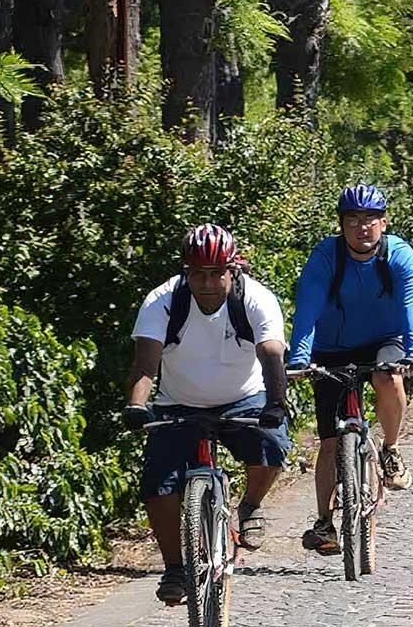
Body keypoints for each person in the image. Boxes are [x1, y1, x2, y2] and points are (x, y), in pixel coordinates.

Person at [123, 224, 291, 605]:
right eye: (198, 273)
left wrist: (276, 403)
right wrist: (136, 405)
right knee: (158, 485)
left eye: (218, 273)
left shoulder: (257, 300)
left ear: (234, 270)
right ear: (186, 272)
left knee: (272, 445)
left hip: (242, 398)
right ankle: (175, 569)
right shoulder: (163, 300)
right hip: (177, 403)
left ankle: (250, 507)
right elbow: (145, 364)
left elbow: (271, 356)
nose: (208, 283)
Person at [287, 183, 413, 556]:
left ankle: (392, 449)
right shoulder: (326, 257)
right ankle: (323, 522)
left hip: (384, 338)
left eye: (369, 220)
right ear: (342, 225)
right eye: (353, 220)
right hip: (330, 346)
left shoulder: (399, 256)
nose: (362, 228)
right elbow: (308, 308)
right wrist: (300, 358)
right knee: (330, 442)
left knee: (388, 375)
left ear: (383, 222)